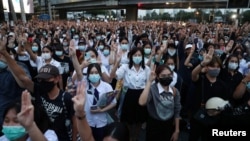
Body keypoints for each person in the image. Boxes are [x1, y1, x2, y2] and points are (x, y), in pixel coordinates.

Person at [0, 37, 77, 141]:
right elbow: (23, 78)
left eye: (47, 78)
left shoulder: (66, 98)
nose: (42, 81)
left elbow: (74, 121)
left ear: (57, 79)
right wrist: (5, 54)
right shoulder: (38, 90)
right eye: (40, 79)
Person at [189, 48, 230, 141]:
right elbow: (194, 74)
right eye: (213, 66)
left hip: (214, 119)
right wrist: (203, 63)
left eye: (218, 67)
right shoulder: (201, 79)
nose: (216, 69)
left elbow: (225, 102)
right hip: (198, 116)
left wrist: (218, 111)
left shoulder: (222, 85)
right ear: (207, 67)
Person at [110, 47, 151, 141]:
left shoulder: (146, 69)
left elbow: (150, 83)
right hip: (129, 95)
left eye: (139, 55)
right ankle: (128, 137)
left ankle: (135, 138)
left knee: (139, 121)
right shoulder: (125, 67)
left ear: (142, 57)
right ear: (131, 56)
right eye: (135, 55)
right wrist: (117, 62)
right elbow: (113, 76)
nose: (137, 57)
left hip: (141, 95)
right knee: (127, 120)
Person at [139, 64, 181, 141]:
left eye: (169, 75)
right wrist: (149, 81)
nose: (167, 77)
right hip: (154, 125)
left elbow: (177, 110)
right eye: (163, 75)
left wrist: (177, 130)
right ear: (158, 77)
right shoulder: (152, 89)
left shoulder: (175, 91)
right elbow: (142, 102)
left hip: (168, 125)